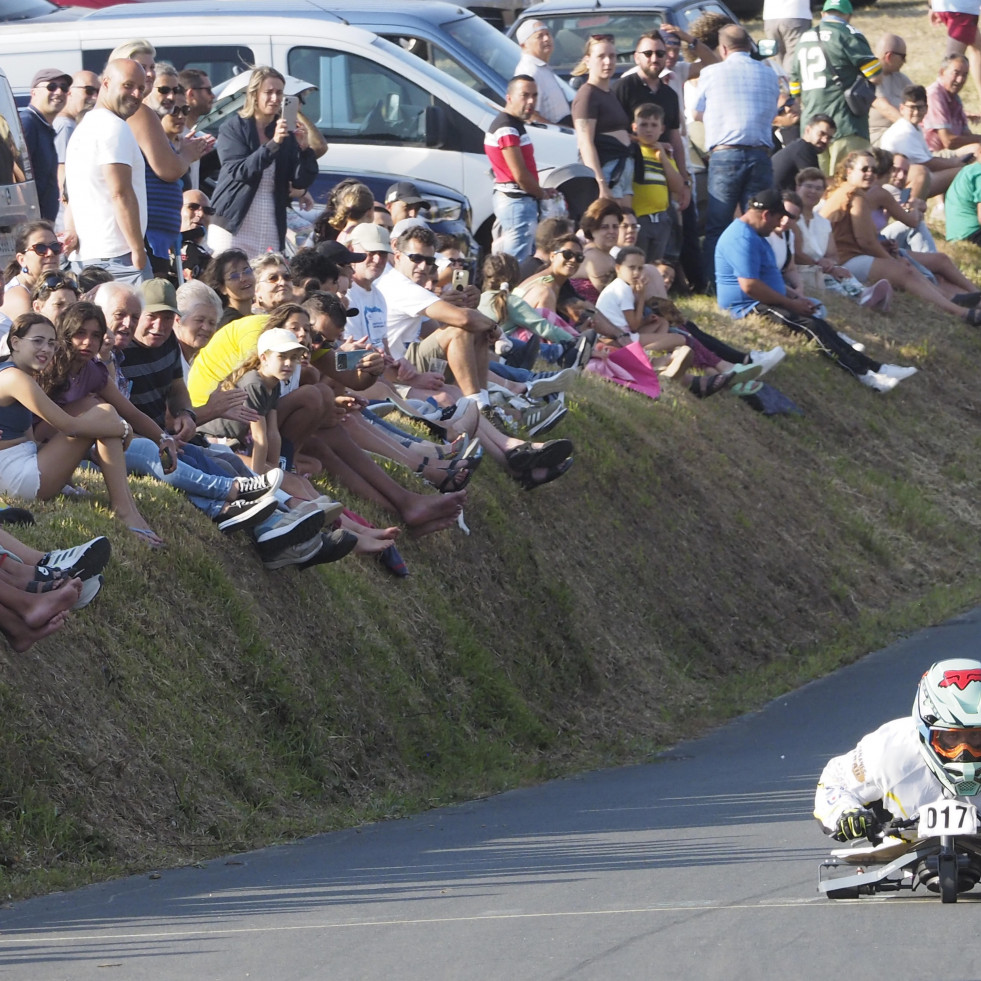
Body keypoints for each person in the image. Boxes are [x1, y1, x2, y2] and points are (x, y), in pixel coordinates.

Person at [714, 188, 918, 391]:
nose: (780, 224)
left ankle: (877, 367)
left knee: (821, 324)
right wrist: (790, 303)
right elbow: (750, 286)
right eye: (778, 219)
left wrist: (794, 295)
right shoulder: (742, 238)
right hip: (749, 305)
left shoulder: (756, 234)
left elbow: (767, 278)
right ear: (766, 215)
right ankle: (866, 377)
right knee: (809, 326)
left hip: (766, 299)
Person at [0, 311, 162, 541]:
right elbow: (69, 427)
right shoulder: (14, 378)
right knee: (104, 414)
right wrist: (122, 430)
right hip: (19, 480)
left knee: (100, 411)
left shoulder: (21, 375)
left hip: (20, 468)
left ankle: (127, 508)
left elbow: (30, 440)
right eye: (37, 341)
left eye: (51, 343)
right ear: (15, 342)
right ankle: (124, 510)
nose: (45, 349)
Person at [815, 658, 981, 841]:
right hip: (910, 849)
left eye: (976, 736)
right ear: (926, 730)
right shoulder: (887, 747)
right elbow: (836, 780)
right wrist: (846, 812)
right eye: (952, 736)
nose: (964, 752)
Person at [822, 151, 981, 323]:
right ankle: (961, 312)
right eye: (865, 169)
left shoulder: (849, 192)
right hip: (846, 260)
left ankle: (957, 298)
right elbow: (865, 242)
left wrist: (887, 249)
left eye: (873, 170)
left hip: (850, 256)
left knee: (926, 263)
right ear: (849, 172)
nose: (870, 174)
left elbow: (861, 238)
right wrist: (891, 259)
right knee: (906, 272)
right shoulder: (854, 196)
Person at [695, 24, 781, 285]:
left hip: (725, 155)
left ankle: (715, 282)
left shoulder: (711, 72)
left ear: (722, 49)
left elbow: (696, 113)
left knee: (718, 224)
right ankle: (757, 278)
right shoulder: (769, 74)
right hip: (760, 154)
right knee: (757, 224)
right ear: (750, 46)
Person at [208, 67, 318, 256]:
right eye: (268, 92)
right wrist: (274, 144)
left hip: (270, 220)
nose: (275, 99)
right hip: (233, 221)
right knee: (227, 277)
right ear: (254, 94)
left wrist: (305, 149)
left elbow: (299, 180)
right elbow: (240, 171)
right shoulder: (234, 127)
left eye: (279, 93)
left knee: (267, 278)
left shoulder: (285, 131)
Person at [65, 59, 151, 284]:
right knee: (143, 319)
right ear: (106, 83)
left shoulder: (83, 128)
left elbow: (70, 195)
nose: (136, 94)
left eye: (141, 88)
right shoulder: (113, 126)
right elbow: (120, 192)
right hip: (118, 257)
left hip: (90, 256)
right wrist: (137, 249)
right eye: (128, 85)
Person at [789, 0, 882, 174]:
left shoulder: (804, 38)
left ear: (823, 14)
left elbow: (795, 88)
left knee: (818, 190)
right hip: (845, 124)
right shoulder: (847, 34)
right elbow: (875, 74)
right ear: (848, 16)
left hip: (812, 129)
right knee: (849, 187)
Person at [615, 32, 692, 213]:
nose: (654, 58)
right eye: (648, 53)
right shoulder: (624, 87)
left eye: (660, 53)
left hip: (666, 175)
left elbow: (675, 137)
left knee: (680, 233)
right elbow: (613, 133)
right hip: (633, 177)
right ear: (636, 57)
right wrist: (648, 142)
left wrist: (685, 181)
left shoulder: (670, 94)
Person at [484, 76, 549, 262]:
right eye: (525, 95)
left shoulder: (513, 124)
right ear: (509, 97)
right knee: (516, 264)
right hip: (517, 202)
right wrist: (542, 194)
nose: (531, 101)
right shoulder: (507, 128)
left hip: (516, 201)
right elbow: (519, 175)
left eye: (534, 96)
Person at [571, 35, 634, 205]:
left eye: (612, 56)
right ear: (588, 60)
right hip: (606, 172)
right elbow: (585, 143)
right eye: (601, 56)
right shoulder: (587, 95)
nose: (608, 62)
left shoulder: (609, 93)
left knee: (627, 224)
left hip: (624, 168)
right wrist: (600, 184)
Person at [880, 85, 966, 200]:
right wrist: (958, 164)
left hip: (908, 178)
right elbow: (929, 163)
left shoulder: (914, 127)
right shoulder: (903, 132)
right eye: (912, 107)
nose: (916, 112)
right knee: (964, 172)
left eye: (919, 107)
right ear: (902, 108)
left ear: (926, 108)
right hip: (895, 182)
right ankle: (907, 210)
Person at [630, 103, 683, 263]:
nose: (648, 130)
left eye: (654, 125)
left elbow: (677, 186)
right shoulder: (632, 151)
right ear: (634, 127)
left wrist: (664, 160)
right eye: (643, 125)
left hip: (661, 218)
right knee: (637, 261)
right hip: (639, 217)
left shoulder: (664, 154)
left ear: (662, 129)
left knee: (656, 263)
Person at [20, 68, 72, 222]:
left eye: (64, 88)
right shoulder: (28, 123)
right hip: (31, 225)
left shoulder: (44, 127)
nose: (58, 92)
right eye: (51, 86)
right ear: (34, 92)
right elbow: (17, 177)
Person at [54, 70, 100, 227]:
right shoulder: (65, 126)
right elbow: (63, 175)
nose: (94, 96)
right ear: (70, 92)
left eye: (98, 91)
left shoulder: (72, 124)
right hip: (68, 220)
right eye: (88, 90)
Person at [1, 221, 66, 322]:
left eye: (55, 247)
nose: (50, 253)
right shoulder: (19, 298)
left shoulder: (51, 285)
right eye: (40, 249)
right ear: (22, 259)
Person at [513, 20, 572, 125]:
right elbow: (530, 116)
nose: (547, 39)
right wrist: (559, 132)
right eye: (539, 36)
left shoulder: (542, 67)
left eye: (548, 34)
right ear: (523, 45)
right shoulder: (529, 72)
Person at [924, 54, 981, 154]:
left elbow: (966, 134)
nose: (960, 80)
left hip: (951, 152)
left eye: (964, 75)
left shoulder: (955, 98)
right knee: (977, 149)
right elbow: (948, 141)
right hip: (933, 154)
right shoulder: (934, 95)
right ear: (942, 72)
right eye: (956, 73)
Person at [772, 114, 837, 190]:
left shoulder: (798, 147)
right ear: (808, 130)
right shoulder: (803, 149)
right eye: (821, 134)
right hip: (774, 200)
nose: (825, 140)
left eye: (829, 138)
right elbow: (819, 185)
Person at [869, 33, 912, 145]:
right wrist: (912, 129)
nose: (905, 62)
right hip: (878, 138)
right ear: (889, 56)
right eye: (903, 57)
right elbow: (885, 108)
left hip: (901, 135)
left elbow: (919, 99)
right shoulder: (870, 76)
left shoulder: (901, 78)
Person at [763, 0, 813, 72]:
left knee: (777, 56)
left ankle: (780, 80)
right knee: (793, 54)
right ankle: (789, 81)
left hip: (770, 16)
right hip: (796, 13)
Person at [180, 189, 214, 281]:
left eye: (207, 210)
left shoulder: (212, 257)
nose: (201, 214)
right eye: (193, 207)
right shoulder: (161, 248)